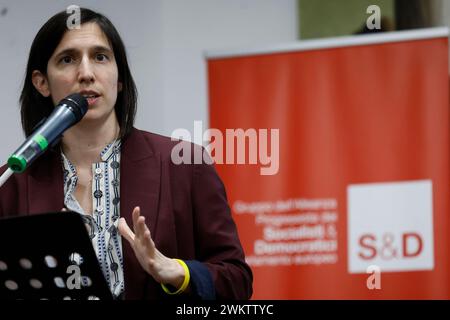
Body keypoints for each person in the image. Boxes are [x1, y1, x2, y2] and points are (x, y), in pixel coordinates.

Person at [0, 7, 252, 300]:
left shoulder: (184, 164)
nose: (86, 73)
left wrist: (177, 272)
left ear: (119, 79)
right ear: (41, 82)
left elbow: (237, 280)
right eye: (67, 60)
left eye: (100, 57)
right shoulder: (12, 180)